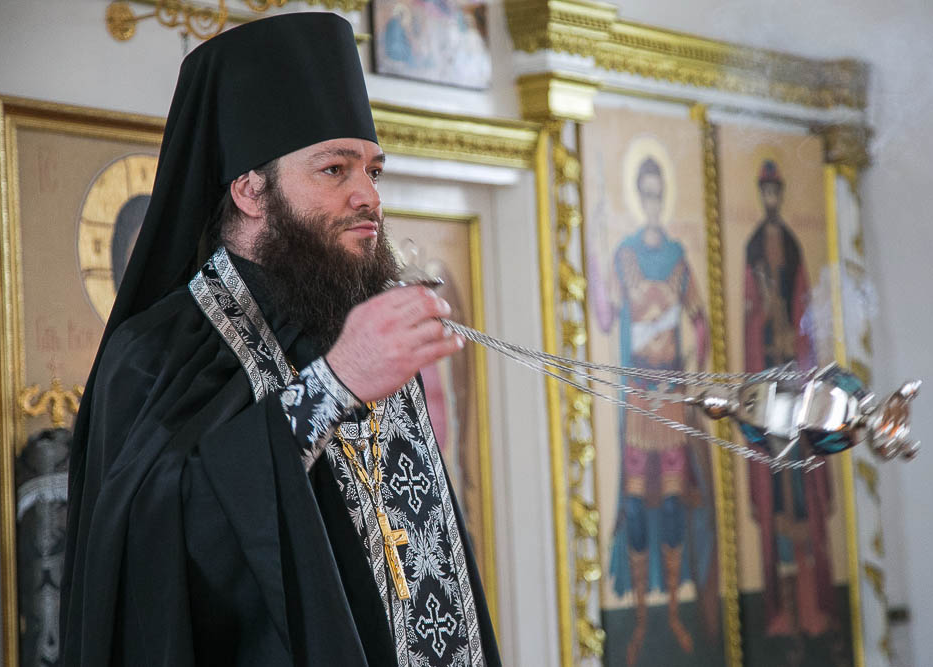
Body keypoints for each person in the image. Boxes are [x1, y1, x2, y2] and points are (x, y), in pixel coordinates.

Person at [60, 13, 499, 667]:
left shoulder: (357, 321)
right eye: (335, 169)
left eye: (373, 171)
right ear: (249, 189)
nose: (368, 196)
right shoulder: (154, 353)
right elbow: (154, 563)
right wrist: (328, 391)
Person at [589, 156, 717, 664]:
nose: (651, 201)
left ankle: (673, 615)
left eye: (656, 192)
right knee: (639, 512)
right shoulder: (624, 256)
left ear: (663, 195)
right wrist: (591, 251)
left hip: (673, 399)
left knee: (671, 509)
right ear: (637, 196)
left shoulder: (679, 260)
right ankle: (641, 620)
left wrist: (694, 377)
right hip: (639, 398)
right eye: (643, 192)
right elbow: (605, 317)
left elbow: (701, 322)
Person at [743, 159, 834, 638]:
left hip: (795, 388)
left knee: (801, 494)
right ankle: (783, 613)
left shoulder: (794, 247)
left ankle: (811, 606)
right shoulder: (753, 247)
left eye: (776, 191)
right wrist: (764, 327)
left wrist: (794, 343)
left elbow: (804, 313)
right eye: (767, 192)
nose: (772, 199)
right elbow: (749, 317)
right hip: (769, 390)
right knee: (776, 493)